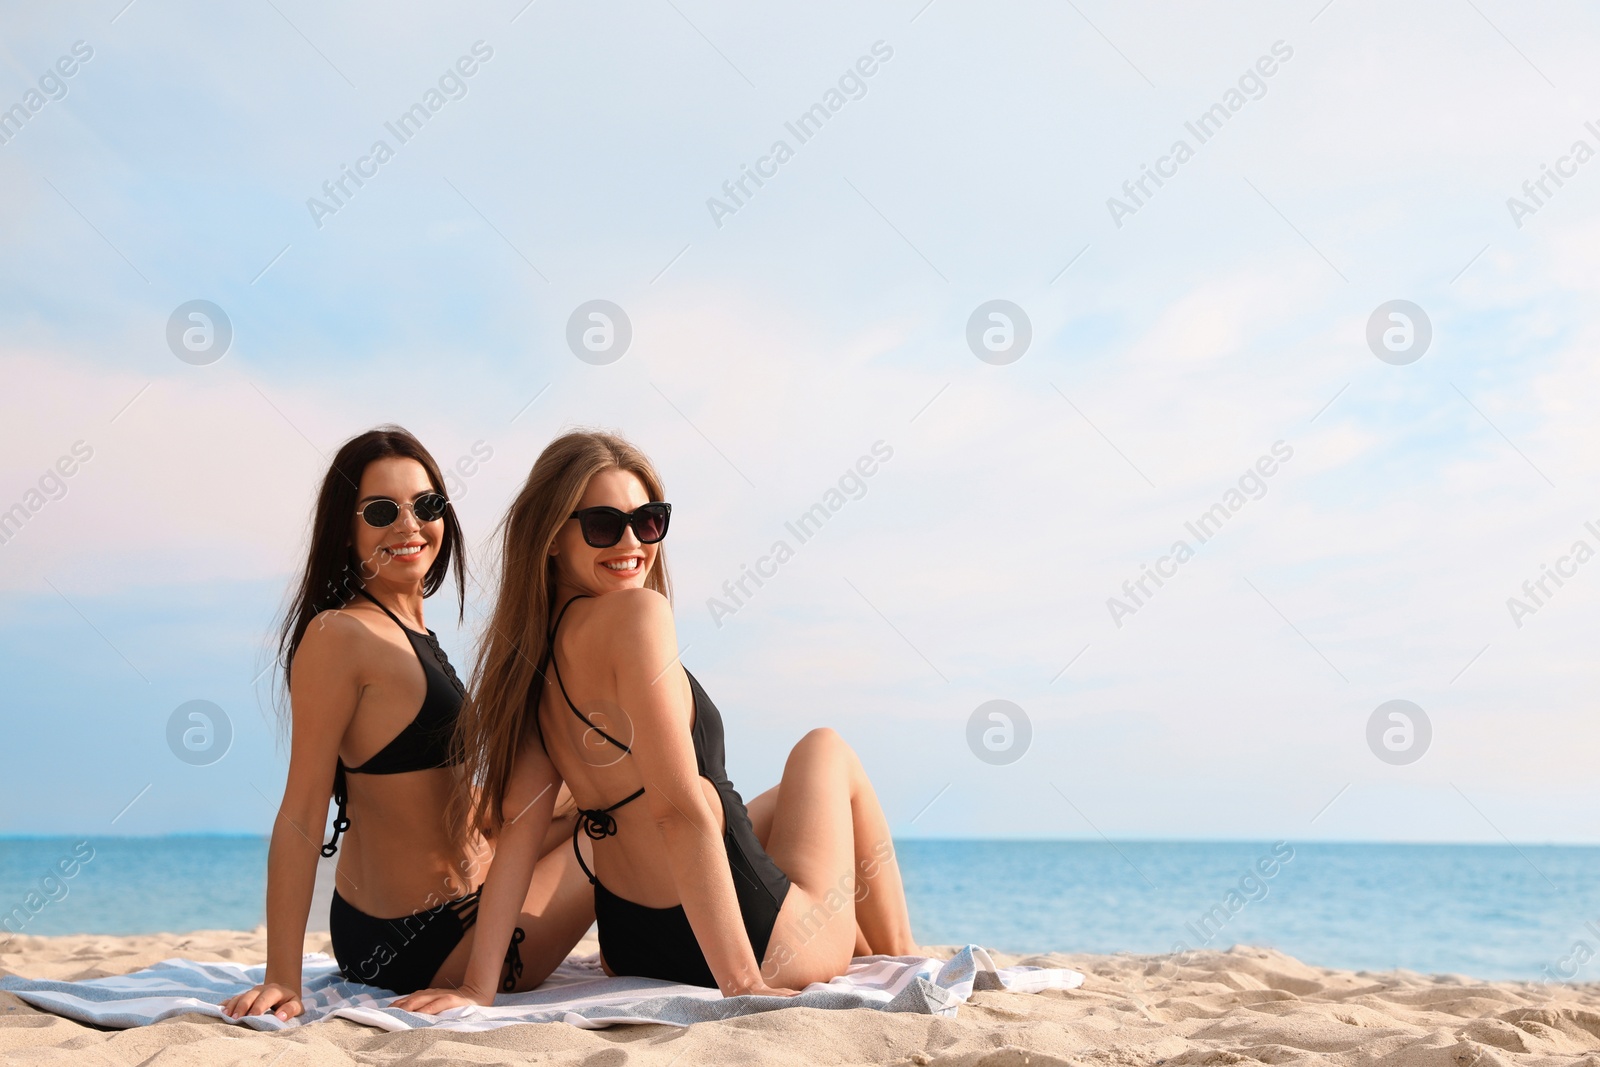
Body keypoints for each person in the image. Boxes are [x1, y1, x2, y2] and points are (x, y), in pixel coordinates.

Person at [395, 431, 915, 1011]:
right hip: (758, 945)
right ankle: (906, 956)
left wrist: (476, 986)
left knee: (751, 805)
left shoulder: (532, 662)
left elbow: (519, 831)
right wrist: (742, 985)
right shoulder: (639, 614)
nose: (631, 543)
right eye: (601, 525)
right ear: (550, 538)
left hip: (634, 945)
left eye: (647, 522)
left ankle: (875, 945)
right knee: (824, 749)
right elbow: (677, 805)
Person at [222, 427, 593, 1019]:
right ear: (345, 529)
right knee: (614, 836)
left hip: (454, 898)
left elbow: (429, 792)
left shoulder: (412, 630)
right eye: (380, 511)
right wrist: (282, 978)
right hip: (425, 935)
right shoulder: (339, 636)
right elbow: (301, 809)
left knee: (599, 798)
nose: (409, 525)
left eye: (427, 505)